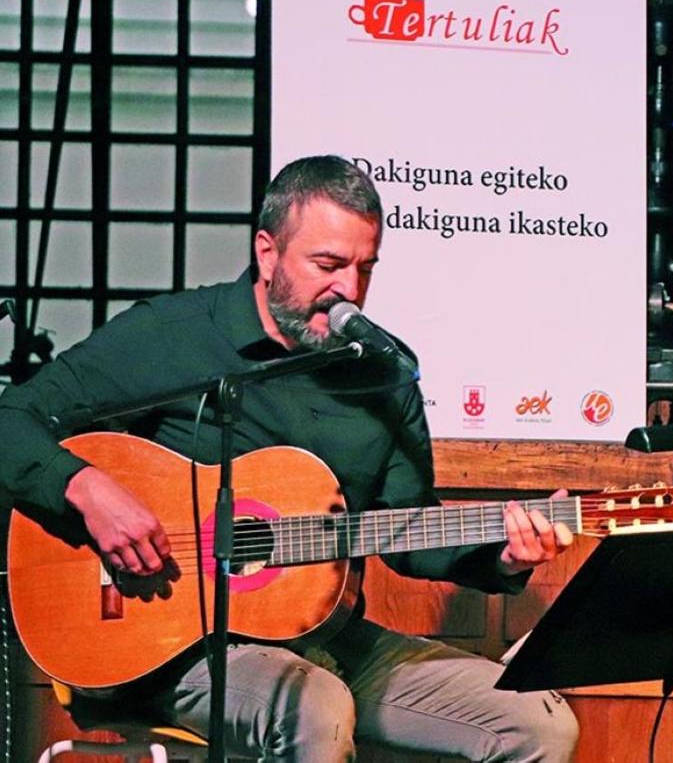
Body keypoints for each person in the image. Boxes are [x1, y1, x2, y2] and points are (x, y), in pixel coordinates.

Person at [0, 155, 580, 761]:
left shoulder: (382, 375)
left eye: (364, 268)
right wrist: (88, 490)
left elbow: (407, 529)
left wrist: (504, 555)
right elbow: (12, 418)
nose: (348, 290)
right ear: (268, 253)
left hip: (325, 638)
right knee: (315, 707)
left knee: (536, 723)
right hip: (169, 646)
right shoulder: (172, 335)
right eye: (328, 265)